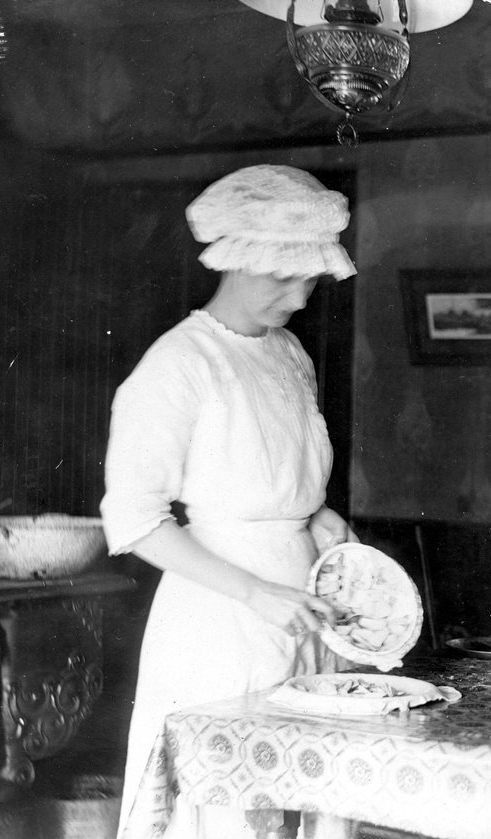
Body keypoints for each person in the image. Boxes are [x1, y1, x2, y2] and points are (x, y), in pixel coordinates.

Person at [101, 165, 358, 838]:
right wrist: (251, 590)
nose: (300, 297)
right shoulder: (179, 363)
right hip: (217, 623)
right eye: (283, 277)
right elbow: (134, 521)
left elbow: (277, 482)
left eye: (310, 278)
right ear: (237, 259)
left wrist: (316, 519)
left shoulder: (289, 354)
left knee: (298, 800)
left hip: (300, 608)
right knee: (229, 813)